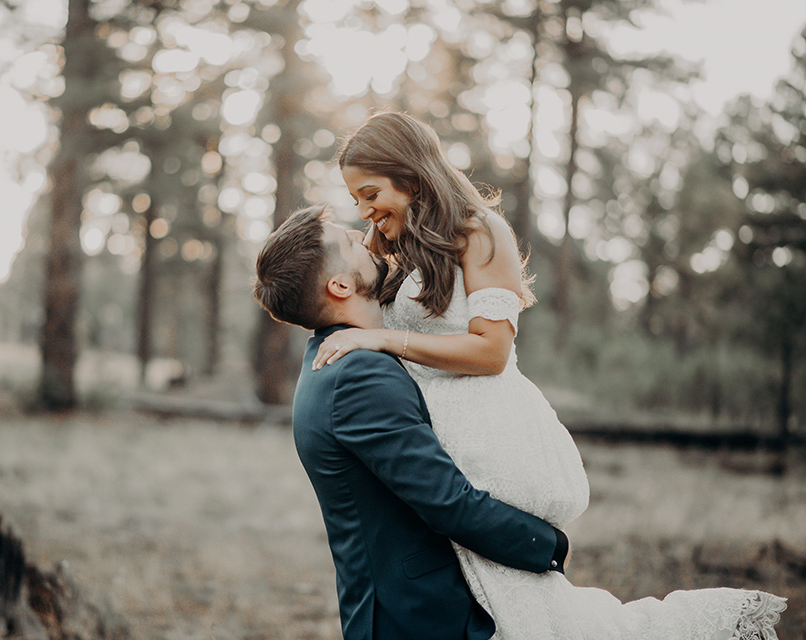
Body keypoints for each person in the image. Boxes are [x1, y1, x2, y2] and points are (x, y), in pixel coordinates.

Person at [312, 111, 786, 639]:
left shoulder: (480, 231)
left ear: (412, 174)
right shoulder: (396, 240)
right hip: (440, 441)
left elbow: (491, 351)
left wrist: (383, 339)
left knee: (529, 617)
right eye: (356, 199)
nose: (364, 209)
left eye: (370, 192)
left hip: (489, 437)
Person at [253, 203, 571, 640]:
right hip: (420, 619)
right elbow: (447, 501)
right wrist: (548, 545)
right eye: (350, 242)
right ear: (341, 285)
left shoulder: (334, 364)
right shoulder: (357, 376)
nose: (366, 240)